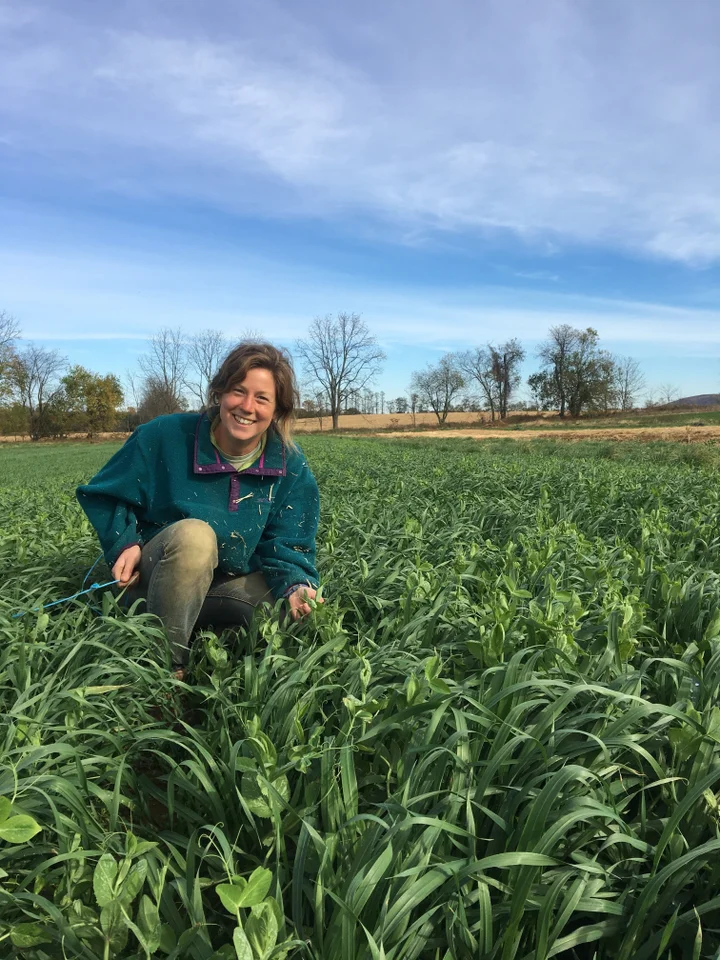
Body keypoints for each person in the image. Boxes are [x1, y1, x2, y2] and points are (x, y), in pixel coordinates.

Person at [76, 342, 322, 675]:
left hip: (227, 583)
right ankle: (165, 668)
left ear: (278, 411)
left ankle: (199, 628)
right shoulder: (164, 435)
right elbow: (105, 493)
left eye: (262, 398)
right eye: (238, 391)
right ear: (220, 392)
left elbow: (289, 543)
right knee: (195, 537)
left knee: (293, 612)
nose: (247, 407)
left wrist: (297, 586)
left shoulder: (289, 464)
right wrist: (125, 542)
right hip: (157, 577)